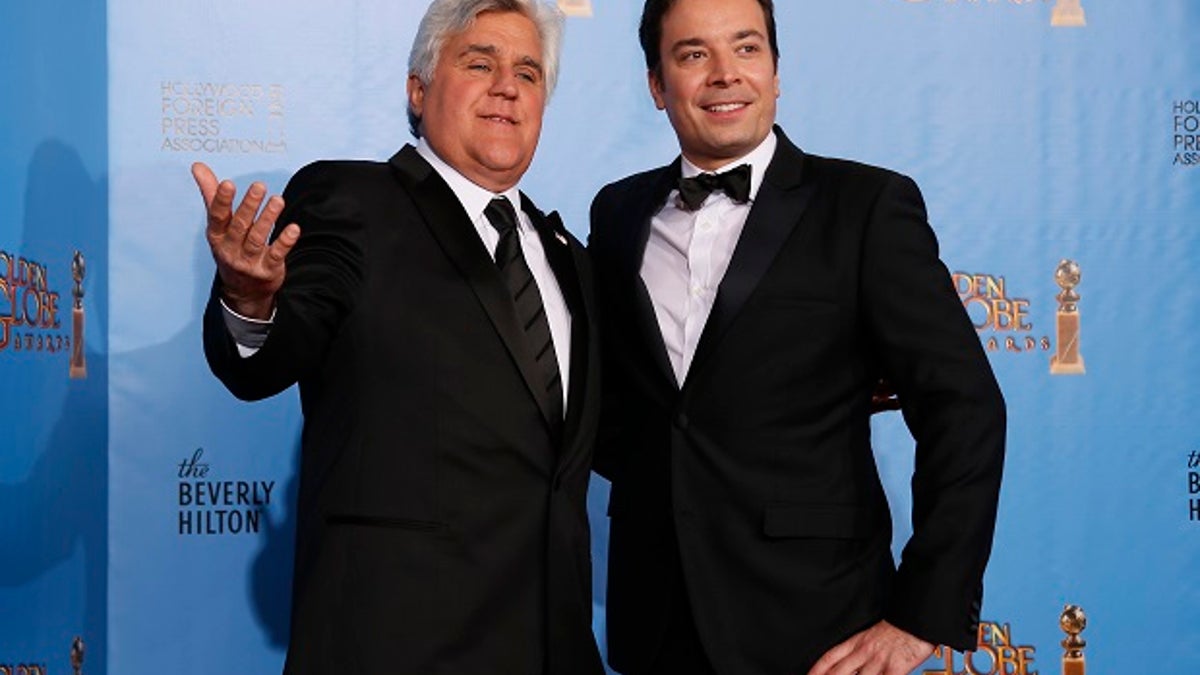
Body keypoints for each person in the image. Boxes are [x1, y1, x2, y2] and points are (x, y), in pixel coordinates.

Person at [588, 0, 1006, 673]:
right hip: (656, 624)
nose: (725, 74)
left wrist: (921, 612)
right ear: (657, 84)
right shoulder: (618, 212)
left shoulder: (867, 206)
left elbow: (964, 405)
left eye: (747, 48)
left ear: (777, 72)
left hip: (819, 627)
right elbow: (621, 408)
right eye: (694, 54)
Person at [195, 1, 603, 673]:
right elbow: (267, 357)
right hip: (398, 646)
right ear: (418, 90)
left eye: (528, 73)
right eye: (480, 62)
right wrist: (249, 297)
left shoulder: (571, 258)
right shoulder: (352, 202)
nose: (508, 85)